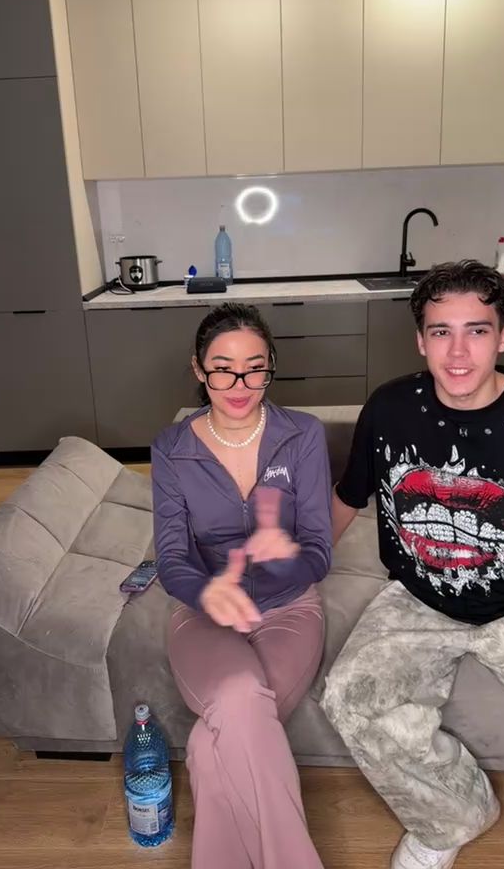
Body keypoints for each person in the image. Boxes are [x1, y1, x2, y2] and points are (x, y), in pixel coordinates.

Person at [321, 260, 504, 869]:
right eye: (440, 331)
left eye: (476, 330)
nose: (457, 352)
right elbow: (348, 495)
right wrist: (297, 564)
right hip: (418, 597)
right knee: (348, 698)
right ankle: (451, 817)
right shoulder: (389, 408)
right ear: (420, 340)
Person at [151, 301, 332, 869]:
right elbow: (171, 557)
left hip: (289, 610)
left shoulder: (302, 435)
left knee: (213, 743)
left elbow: (320, 550)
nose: (240, 386)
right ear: (198, 369)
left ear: (271, 365)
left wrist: (286, 560)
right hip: (203, 613)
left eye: (255, 369)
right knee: (236, 696)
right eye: (223, 370)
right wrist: (207, 593)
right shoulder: (172, 448)